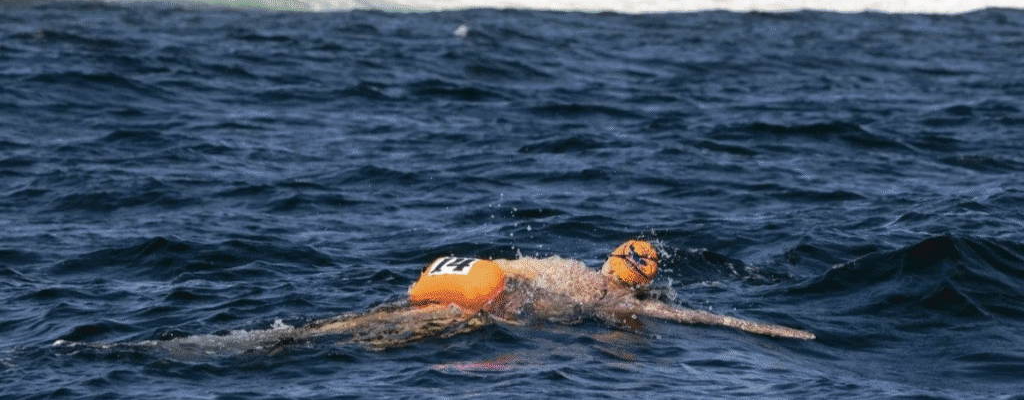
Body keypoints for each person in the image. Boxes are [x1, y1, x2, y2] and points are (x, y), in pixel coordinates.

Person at [304, 241, 814, 347]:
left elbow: (498, 266)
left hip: (474, 279)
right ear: (643, 283)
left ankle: (305, 332)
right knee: (409, 334)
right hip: (496, 308)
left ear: (608, 261)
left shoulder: (562, 265)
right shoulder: (619, 302)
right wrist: (776, 330)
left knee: (376, 318)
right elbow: (707, 319)